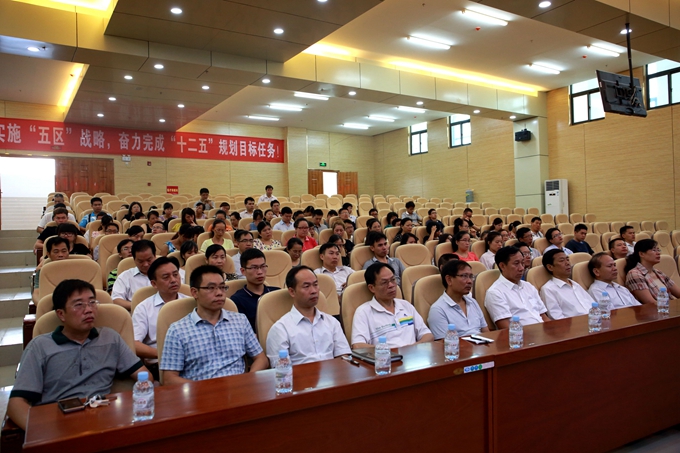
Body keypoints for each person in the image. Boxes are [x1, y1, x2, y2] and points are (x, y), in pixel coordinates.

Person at [8, 279, 147, 430]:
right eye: (79, 305)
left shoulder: (110, 338)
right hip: (57, 423)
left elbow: (144, 376)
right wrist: (41, 433)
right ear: (61, 314)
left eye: (92, 302)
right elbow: (16, 404)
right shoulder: (40, 347)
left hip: (103, 419)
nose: (89, 310)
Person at [160, 265, 268, 384]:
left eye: (222, 287)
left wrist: (247, 380)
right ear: (194, 292)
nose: (219, 293)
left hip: (238, 387)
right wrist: (200, 390)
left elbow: (261, 359)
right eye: (211, 288)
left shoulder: (240, 320)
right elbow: (169, 379)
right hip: (199, 392)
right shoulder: (177, 331)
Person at [266, 266, 350, 365]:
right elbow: (282, 370)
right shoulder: (280, 329)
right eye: (306, 286)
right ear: (292, 292)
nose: (314, 291)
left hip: (333, 373)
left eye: (315, 285)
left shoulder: (332, 322)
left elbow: (344, 357)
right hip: (299, 375)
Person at [132, 257, 190, 380]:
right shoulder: (144, 308)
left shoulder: (190, 303)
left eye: (175, 274)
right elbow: (134, 344)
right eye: (166, 277)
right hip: (160, 364)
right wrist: (166, 354)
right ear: (154, 284)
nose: (173, 280)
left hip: (192, 360)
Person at [351, 262, 433, 348]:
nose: (391, 285)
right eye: (384, 282)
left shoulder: (406, 305)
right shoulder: (363, 312)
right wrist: (389, 352)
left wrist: (411, 349)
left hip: (414, 354)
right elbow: (358, 345)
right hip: (386, 356)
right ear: (372, 288)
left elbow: (428, 335)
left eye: (393, 280)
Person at [484, 246, 550, 328]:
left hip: (543, 331)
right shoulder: (495, 292)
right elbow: (506, 328)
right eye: (516, 263)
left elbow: (544, 317)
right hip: (522, 334)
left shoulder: (528, 286)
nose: (521, 268)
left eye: (522, 263)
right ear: (502, 266)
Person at [428, 260, 489, 339]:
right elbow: (445, 343)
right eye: (464, 276)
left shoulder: (472, 302)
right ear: (449, 280)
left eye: (471, 276)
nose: (470, 281)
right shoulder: (438, 310)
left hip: (482, 345)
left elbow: (486, 333)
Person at [230, 248, 280, 333]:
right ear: (243, 271)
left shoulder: (276, 294)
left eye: (263, 266)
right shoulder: (237, 300)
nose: (260, 272)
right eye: (254, 268)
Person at [540, 249, 594, 319]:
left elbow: (593, 305)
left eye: (567, 259)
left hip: (595, 320)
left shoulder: (575, 284)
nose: (567, 263)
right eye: (562, 261)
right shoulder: (548, 289)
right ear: (550, 267)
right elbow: (557, 318)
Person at [624, 239, 680, 304]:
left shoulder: (658, 272)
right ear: (641, 254)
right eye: (654, 250)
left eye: (658, 250)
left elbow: (678, 293)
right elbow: (651, 303)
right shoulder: (634, 274)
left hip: (670, 307)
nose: (658, 253)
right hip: (657, 309)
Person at [111, 240, 156, 311]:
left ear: (155, 256)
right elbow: (116, 300)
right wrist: (140, 307)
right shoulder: (125, 277)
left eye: (149, 260)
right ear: (134, 259)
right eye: (141, 261)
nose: (145, 264)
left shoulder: (167, 274)